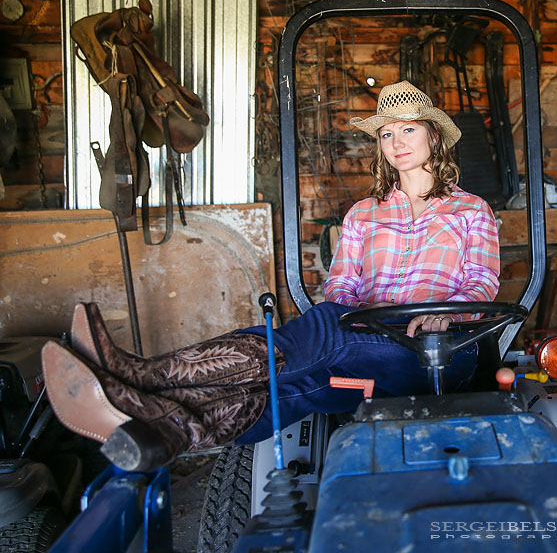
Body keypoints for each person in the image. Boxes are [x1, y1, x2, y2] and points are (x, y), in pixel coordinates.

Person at [41, 81, 501, 472]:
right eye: (385, 134)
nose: (396, 141)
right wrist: (347, 314)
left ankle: (143, 376)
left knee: (328, 332)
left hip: (433, 353)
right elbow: (342, 286)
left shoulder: (470, 210)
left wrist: (448, 318)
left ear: (433, 137)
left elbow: (481, 283)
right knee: (295, 386)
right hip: (363, 353)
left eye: (408, 129)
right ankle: (162, 432)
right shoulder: (364, 214)